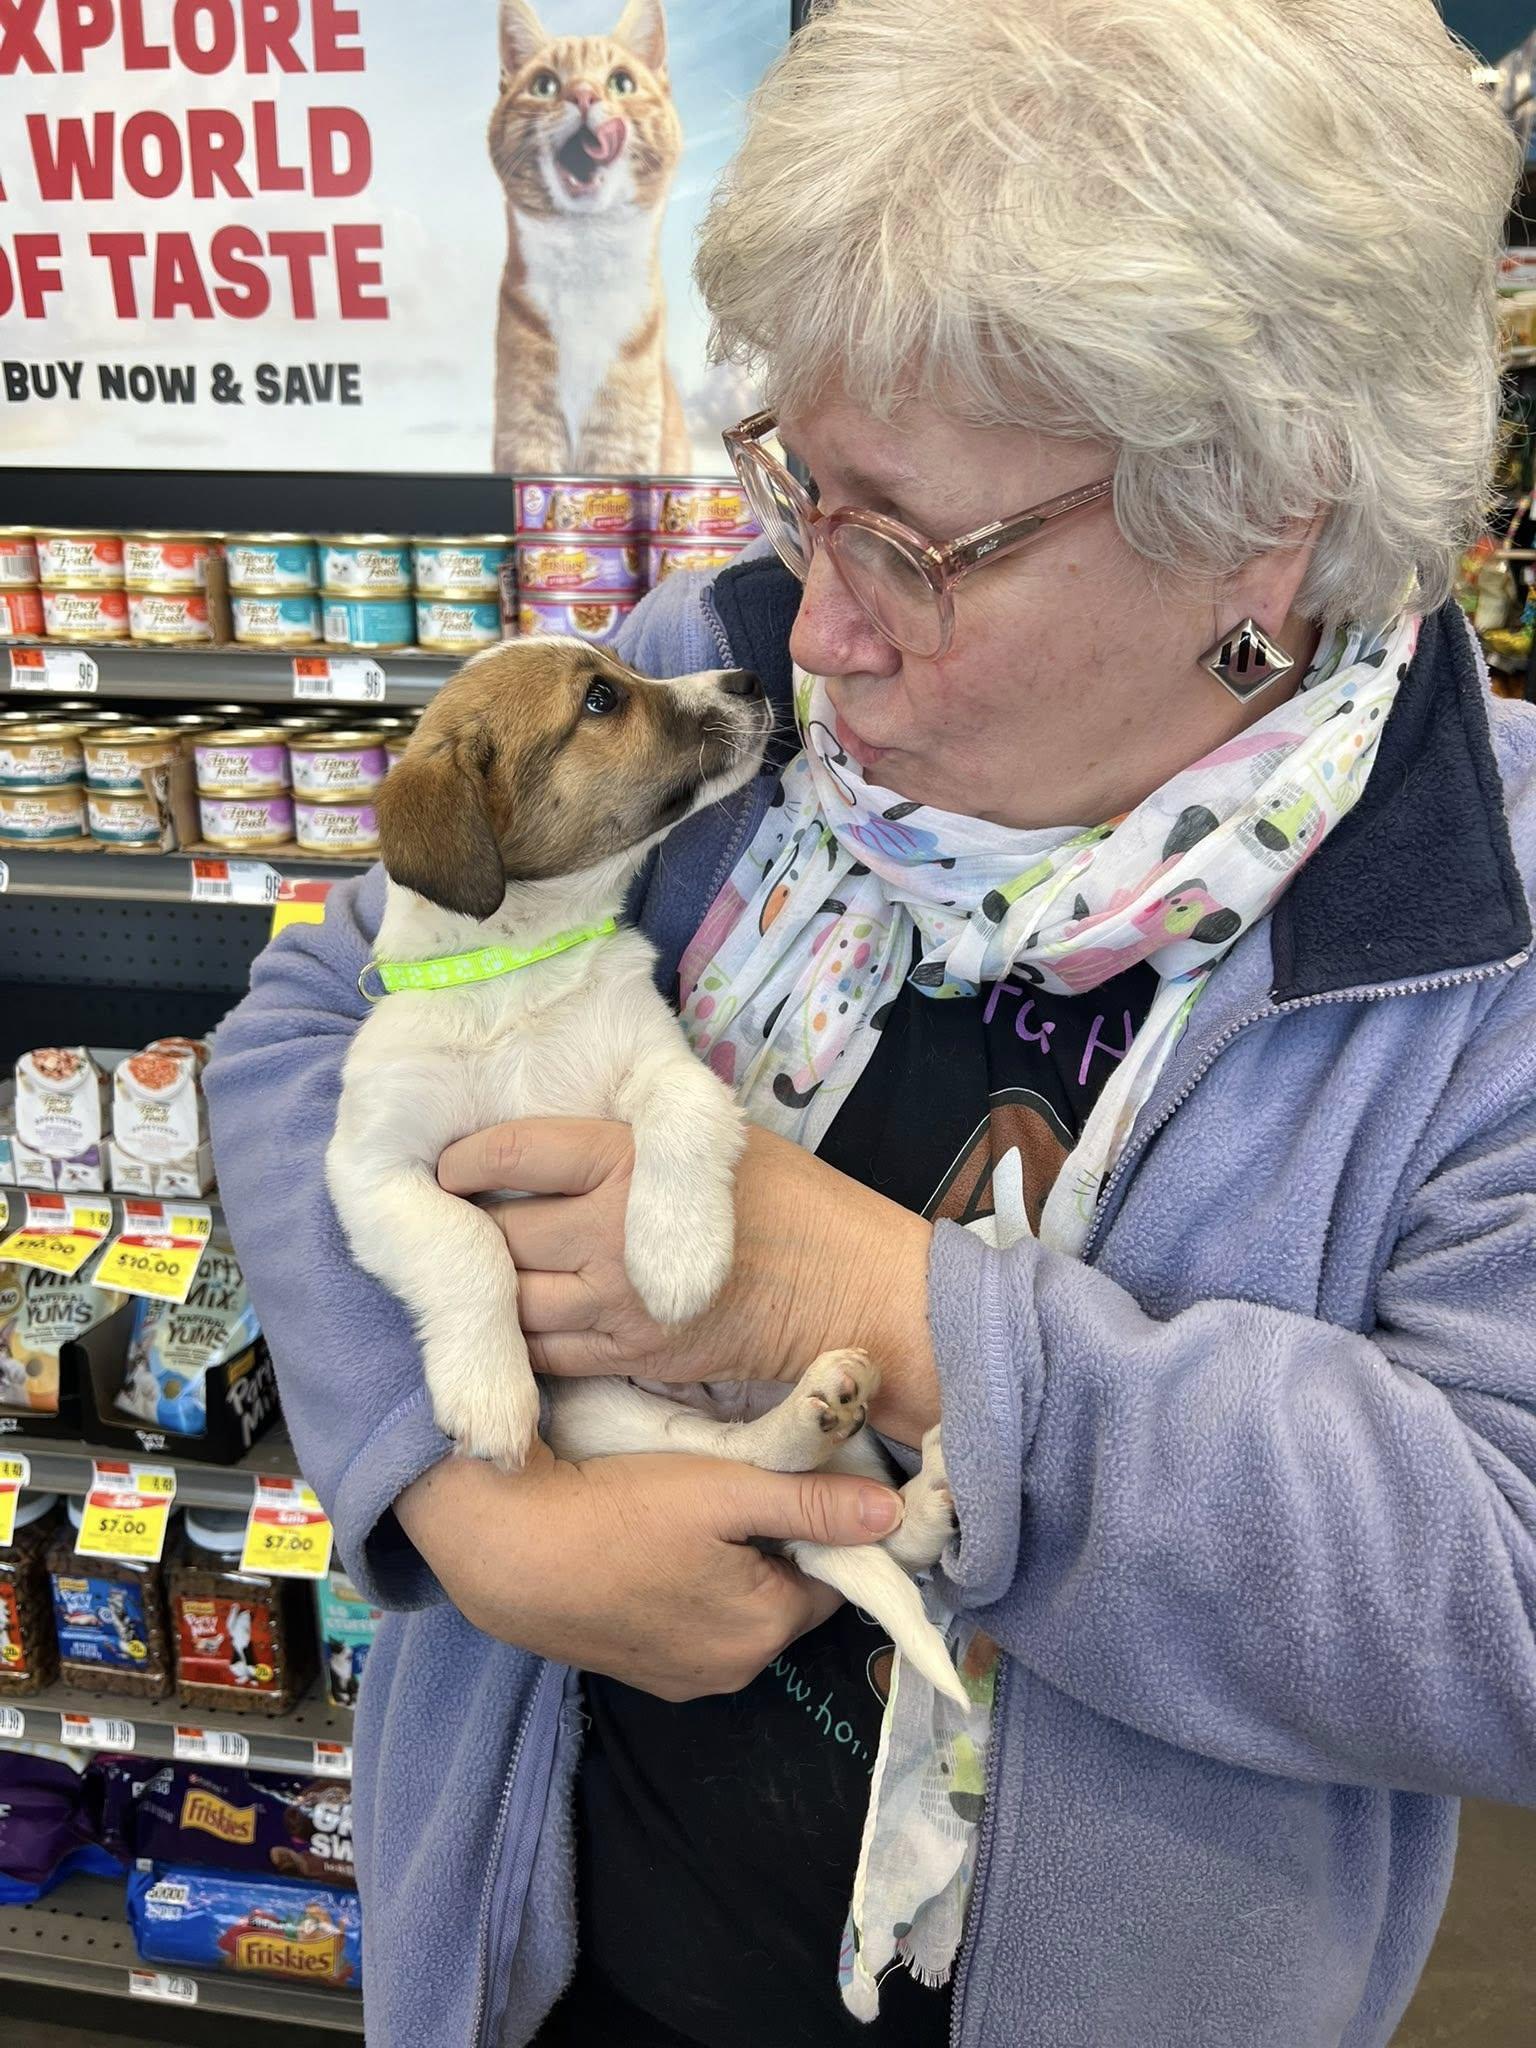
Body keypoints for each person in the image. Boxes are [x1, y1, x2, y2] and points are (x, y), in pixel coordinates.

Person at [204, 1, 1536, 2043]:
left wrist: (904, 1314)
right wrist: (474, 1512)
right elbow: (311, 1017)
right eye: (795, 485)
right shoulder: (710, 669)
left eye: (917, 539)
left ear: (1265, 511)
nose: (817, 622)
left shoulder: (1479, 917)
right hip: (548, 1970)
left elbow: (1501, 1603)